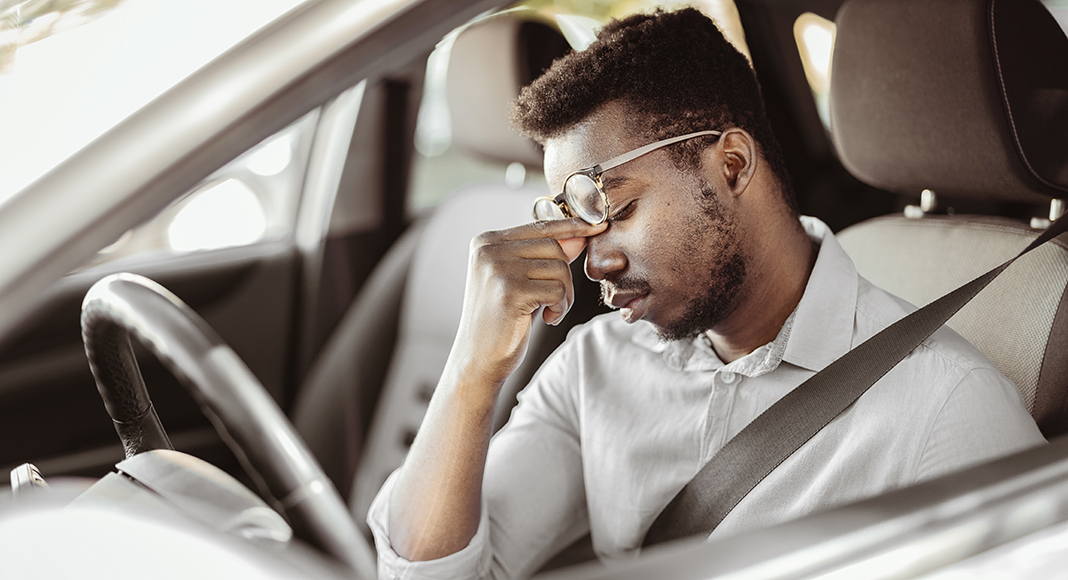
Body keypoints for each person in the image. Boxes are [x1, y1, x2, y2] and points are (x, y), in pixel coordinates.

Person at [367, 7, 1044, 579]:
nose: (590, 259)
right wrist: (472, 370)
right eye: (570, 220)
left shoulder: (946, 408)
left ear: (730, 164)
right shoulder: (595, 367)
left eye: (615, 208)